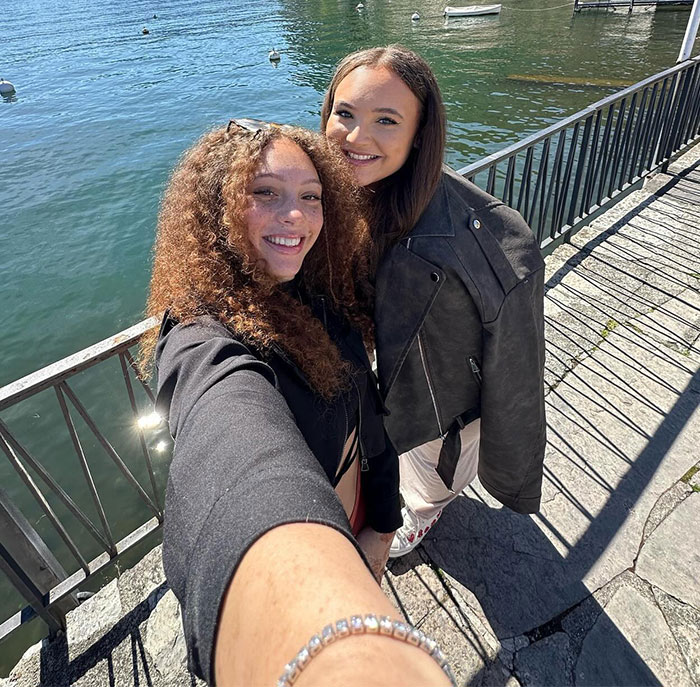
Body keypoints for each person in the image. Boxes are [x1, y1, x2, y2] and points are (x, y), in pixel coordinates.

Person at [140, 122, 409, 683]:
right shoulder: (201, 333)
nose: (296, 217)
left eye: (311, 197)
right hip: (316, 537)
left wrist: (382, 524)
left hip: (355, 519)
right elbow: (238, 449)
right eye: (265, 193)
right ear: (217, 209)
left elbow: (367, 409)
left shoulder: (316, 286)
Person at [322, 46, 547, 558]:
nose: (357, 138)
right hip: (381, 395)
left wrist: (510, 474)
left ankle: (422, 515)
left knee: (428, 481)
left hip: (441, 413)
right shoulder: (327, 200)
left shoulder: (488, 240)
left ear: (420, 132)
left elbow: (518, 372)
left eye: (386, 120)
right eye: (345, 113)